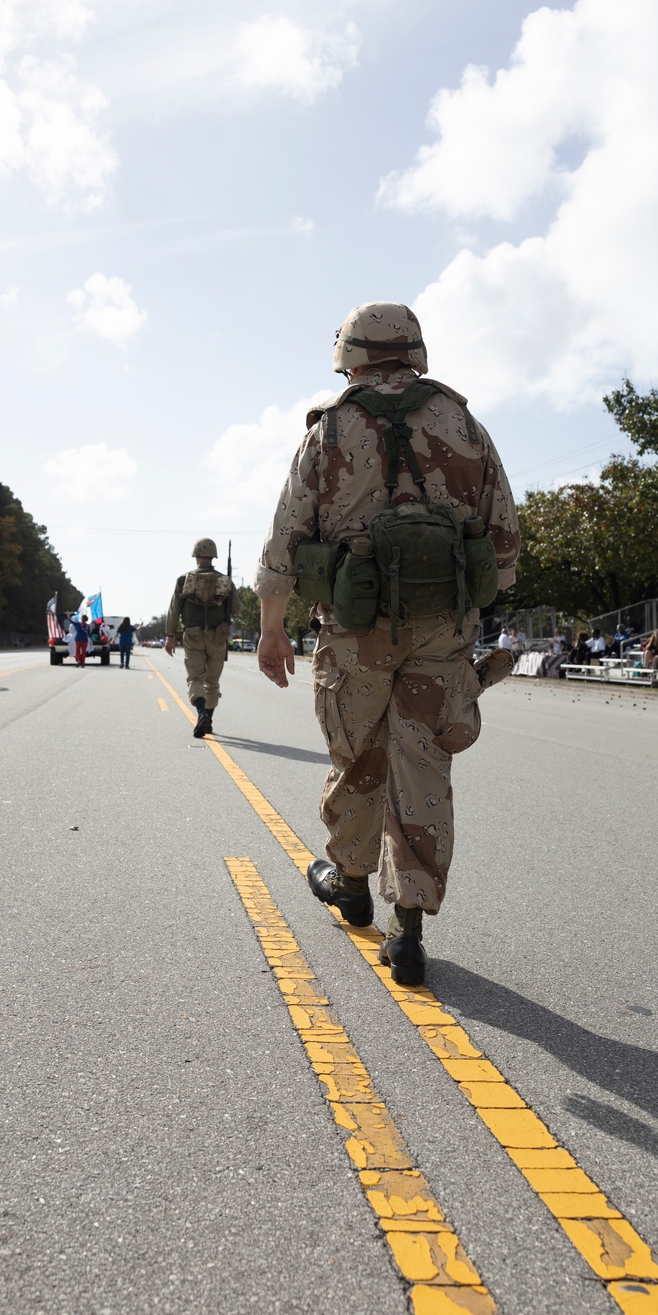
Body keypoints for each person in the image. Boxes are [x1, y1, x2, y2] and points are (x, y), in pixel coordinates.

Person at [254, 300, 519, 987]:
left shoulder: (332, 430)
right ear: (415, 351)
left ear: (352, 355)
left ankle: (349, 882)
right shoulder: (464, 424)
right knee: (423, 769)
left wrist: (272, 628)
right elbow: (504, 538)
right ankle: (408, 933)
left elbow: (287, 535)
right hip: (442, 631)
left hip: (355, 631)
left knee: (356, 755)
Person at [165, 537, 241, 737]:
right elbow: (237, 609)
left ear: (196, 555)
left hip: (193, 636)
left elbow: (174, 610)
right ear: (213, 555)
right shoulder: (225, 580)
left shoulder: (183, 580)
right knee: (213, 681)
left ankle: (201, 715)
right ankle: (209, 718)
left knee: (196, 677)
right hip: (218, 637)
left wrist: (170, 636)